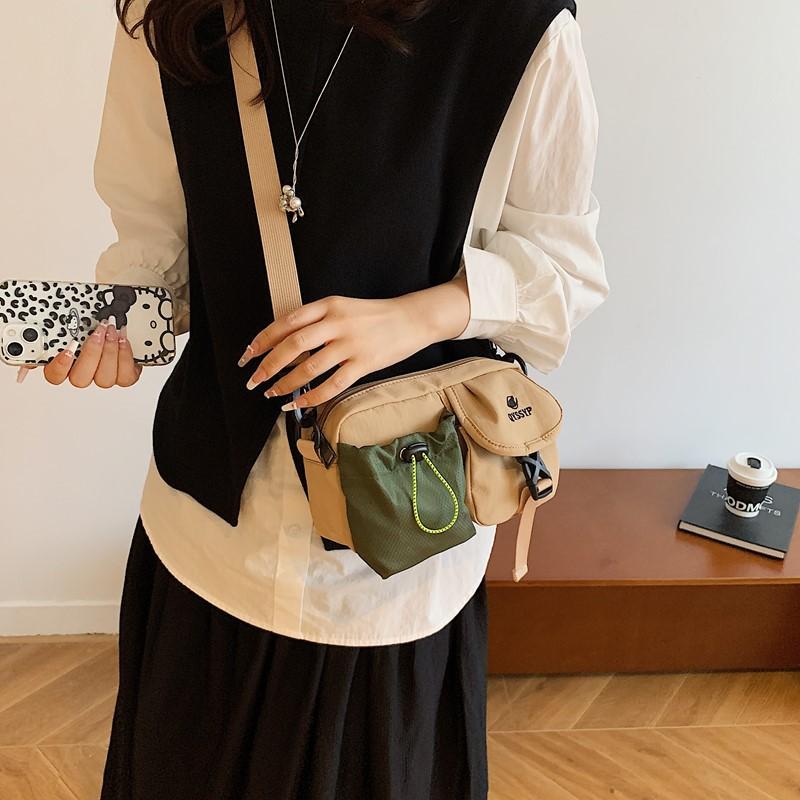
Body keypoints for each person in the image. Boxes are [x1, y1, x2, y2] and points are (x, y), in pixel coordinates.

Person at [21, 0, 608, 796]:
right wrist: (114, 325)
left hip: (395, 554)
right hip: (207, 539)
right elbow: (156, 238)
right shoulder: (171, 11)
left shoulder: (516, 22)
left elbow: (564, 267)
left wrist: (415, 317)